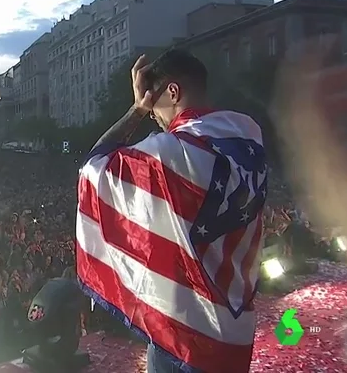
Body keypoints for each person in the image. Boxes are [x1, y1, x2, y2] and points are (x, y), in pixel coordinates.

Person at [76, 49, 267, 373]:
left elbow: (94, 165)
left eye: (155, 109)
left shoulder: (171, 153)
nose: (156, 118)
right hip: (235, 331)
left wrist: (136, 109)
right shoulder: (249, 134)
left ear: (173, 92)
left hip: (185, 335)